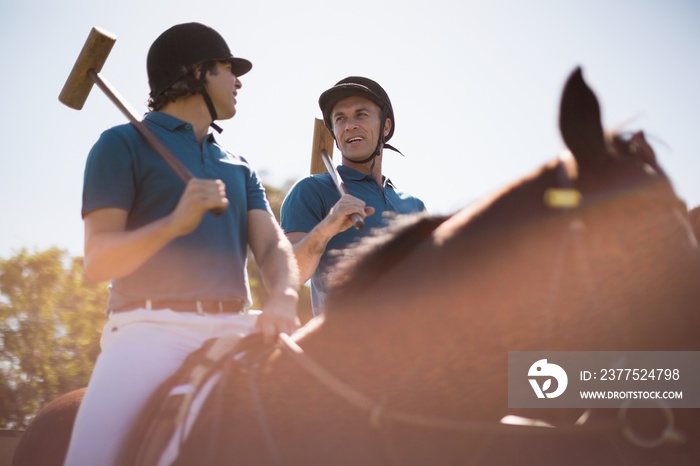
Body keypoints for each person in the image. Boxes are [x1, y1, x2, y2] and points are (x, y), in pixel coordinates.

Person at [63, 23, 299, 466]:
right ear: (196, 73)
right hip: (150, 331)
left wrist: (283, 298)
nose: (239, 81)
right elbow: (98, 262)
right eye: (229, 69)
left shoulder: (237, 166)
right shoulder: (120, 145)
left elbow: (271, 248)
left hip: (237, 325)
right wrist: (174, 222)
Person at [280, 76, 426, 315]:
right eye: (340, 119)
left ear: (385, 127)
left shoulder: (413, 205)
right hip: (342, 347)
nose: (349, 125)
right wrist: (328, 226)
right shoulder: (311, 190)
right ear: (334, 132)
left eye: (361, 115)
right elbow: (286, 276)